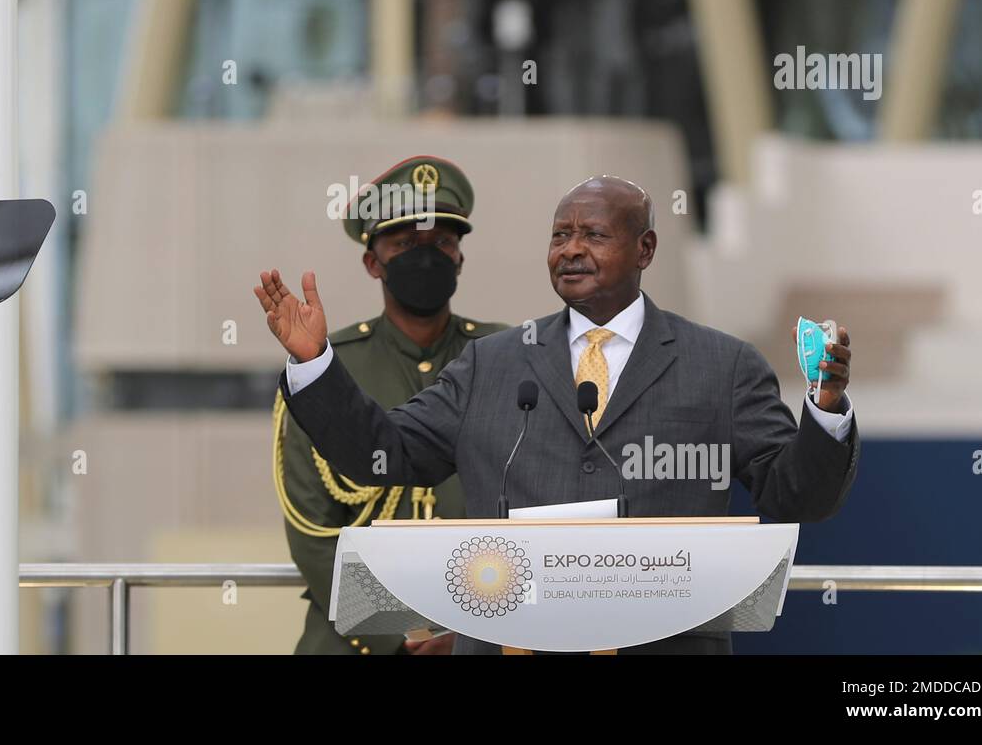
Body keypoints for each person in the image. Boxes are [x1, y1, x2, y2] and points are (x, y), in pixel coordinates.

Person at [256, 175, 859, 655]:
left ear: (644, 248)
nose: (571, 249)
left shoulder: (722, 365)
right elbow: (382, 453)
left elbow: (794, 497)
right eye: (560, 235)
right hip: (513, 644)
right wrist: (315, 365)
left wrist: (825, 410)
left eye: (593, 235)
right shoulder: (489, 363)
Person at [273, 156, 508, 655]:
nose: (427, 256)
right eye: (404, 245)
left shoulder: (506, 358)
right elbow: (313, 530)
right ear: (372, 262)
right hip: (358, 643)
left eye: (442, 243)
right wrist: (400, 636)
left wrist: (466, 636)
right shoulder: (326, 367)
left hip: (487, 635)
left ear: (461, 256)